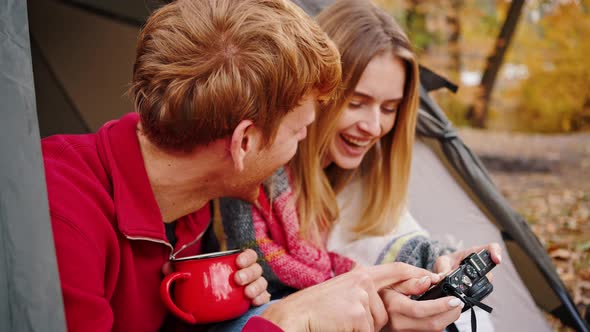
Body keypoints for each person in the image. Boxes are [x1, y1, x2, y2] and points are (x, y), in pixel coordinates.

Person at [41, 0, 434, 331]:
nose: (301, 151)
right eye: (299, 133)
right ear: (244, 142)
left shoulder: (190, 212)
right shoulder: (59, 218)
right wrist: (284, 318)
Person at [216, 0, 502, 331]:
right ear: (317, 93)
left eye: (390, 108)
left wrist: (436, 270)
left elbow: (400, 243)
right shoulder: (255, 173)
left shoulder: (364, 180)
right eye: (356, 103)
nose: (373, 126)